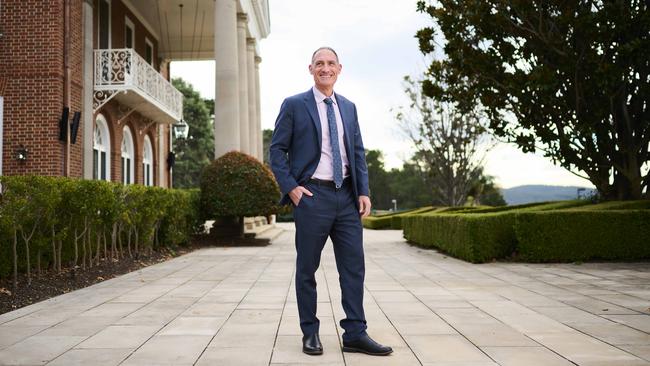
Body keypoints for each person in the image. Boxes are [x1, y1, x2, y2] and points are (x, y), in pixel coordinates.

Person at [270, 46, 393, 356]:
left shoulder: (349, 107)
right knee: (307, 268)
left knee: (353, 268)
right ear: (310, 69)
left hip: (347, 197)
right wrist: (293, 188)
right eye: (319, 64)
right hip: (313, 196)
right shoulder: (295, 105)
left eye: (330, 63)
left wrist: (363, 191)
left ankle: (355, 333)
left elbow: (358, 152)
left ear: (340, 69)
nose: (325, 68)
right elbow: (277, 150)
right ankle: (310, 332)